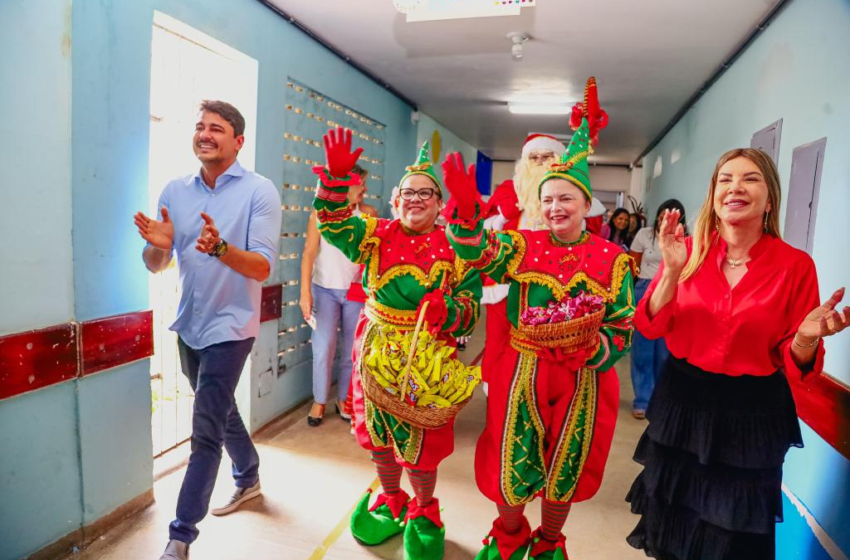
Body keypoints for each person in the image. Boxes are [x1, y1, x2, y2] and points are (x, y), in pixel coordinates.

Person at [626, 148, 849, 560]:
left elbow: (793, 356)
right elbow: (651, 325)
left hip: (751, 415)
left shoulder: (795, 266)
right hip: (683, 406)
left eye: (750, 179)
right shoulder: (687, 252)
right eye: (725, 179)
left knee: (734, 537)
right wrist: (672, 272)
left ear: (770, 198)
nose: (735, 187)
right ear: (713, 194)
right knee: (674, 526)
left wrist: (805, 337)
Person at [445, 118, 635, 560]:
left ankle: (548, 542)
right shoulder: (521, 244)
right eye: (547, 199)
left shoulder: (613, 258)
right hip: (521, 370)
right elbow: (480, 255)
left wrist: (595, 348)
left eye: (565, 197)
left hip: (582, 376)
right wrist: (468, 215)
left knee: (567, 461)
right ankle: (510, 538)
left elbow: (622, 326)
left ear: (586, 203)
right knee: (509, 457)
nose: (555, 207)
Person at [313, 127, 482, 560]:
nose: (416, 199)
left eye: (427, 193)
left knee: (421, 448)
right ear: (394, 200)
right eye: (408, 192)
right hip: (372, 351)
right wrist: (333, 184)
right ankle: (391, 499)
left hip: (426, 359)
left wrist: (449, 311)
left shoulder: (455, 246)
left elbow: (471, 307)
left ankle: (425, 509)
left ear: (441, 205)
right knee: (377, 438)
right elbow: (332, 225)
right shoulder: (374, 233)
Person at [134, 100, 282, 560]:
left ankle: (180, 538)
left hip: (232, 328)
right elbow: (157, 264)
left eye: (216, 128)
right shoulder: (176, 191)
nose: (205, 134)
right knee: (215, 407)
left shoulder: (260, 192)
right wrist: (158, 248)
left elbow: (260, 266)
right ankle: (249, 475)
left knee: (205, 431)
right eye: (200, 126)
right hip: (191, 326)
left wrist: (220, 248)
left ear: (238, 140)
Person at [480, 133, 566, 390]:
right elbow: (484, 233)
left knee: (545, 351)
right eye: (534, 157)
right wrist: (502, 217)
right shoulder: (510, 190)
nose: (539, 163)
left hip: (550, 289)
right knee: (497, 345)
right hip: (506, 287)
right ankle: (495, 398)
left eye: (547, 157)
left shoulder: (569, 194)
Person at [300, 163, 377, 426]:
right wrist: (304, 293)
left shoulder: (368, 215)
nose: (365, 189)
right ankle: (319, 400)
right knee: (323, 347)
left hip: (356, 293)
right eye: (362, 184)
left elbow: (373, 255)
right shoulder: (319, 215)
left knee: (351, 351)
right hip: (324, 290)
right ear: (346, 187)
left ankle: (344, 398)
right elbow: (309, 254)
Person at [627, 199, 687, 419]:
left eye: (672, 216)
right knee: (643, 351)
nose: (665, 220)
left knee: (664, 353)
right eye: (663, 215)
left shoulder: (686, 240)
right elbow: (632, 266)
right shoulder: (644, 234)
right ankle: (642, 400)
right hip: (645, 288)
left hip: (673, 292)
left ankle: (661, 400)